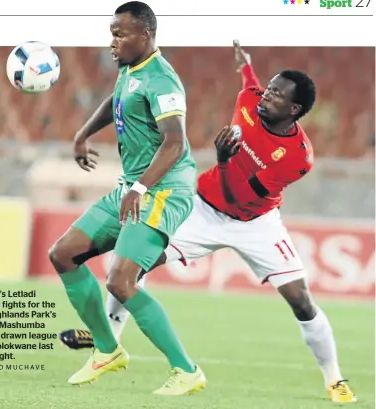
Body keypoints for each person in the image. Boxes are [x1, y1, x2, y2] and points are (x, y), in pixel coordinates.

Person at [60, 41, 357, 404]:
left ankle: (335, 379)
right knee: (135, 262)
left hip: (255, 222)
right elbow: (250, 81)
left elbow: (239, 197)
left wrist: (222, 160)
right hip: (200, 208)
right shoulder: (249, 99)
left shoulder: (297, 157)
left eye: (276, 95)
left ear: (294, 110)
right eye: (268, 88)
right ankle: (108, 337)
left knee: (301, 301)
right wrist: (245, 64)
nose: (265, 97)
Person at [50, 1, 206, 396]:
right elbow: (117, 100)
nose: (112, 42)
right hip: (133, 183)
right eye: (112, 33)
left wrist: (138, 189)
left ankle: (187, 371)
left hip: (164, 188)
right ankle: (106, 349)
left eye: (120, 34)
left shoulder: (163, 81)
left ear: (146, 35)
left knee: (121, 281)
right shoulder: (130, 70)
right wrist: (82, 133)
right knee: (64, 253)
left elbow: (175, 143)